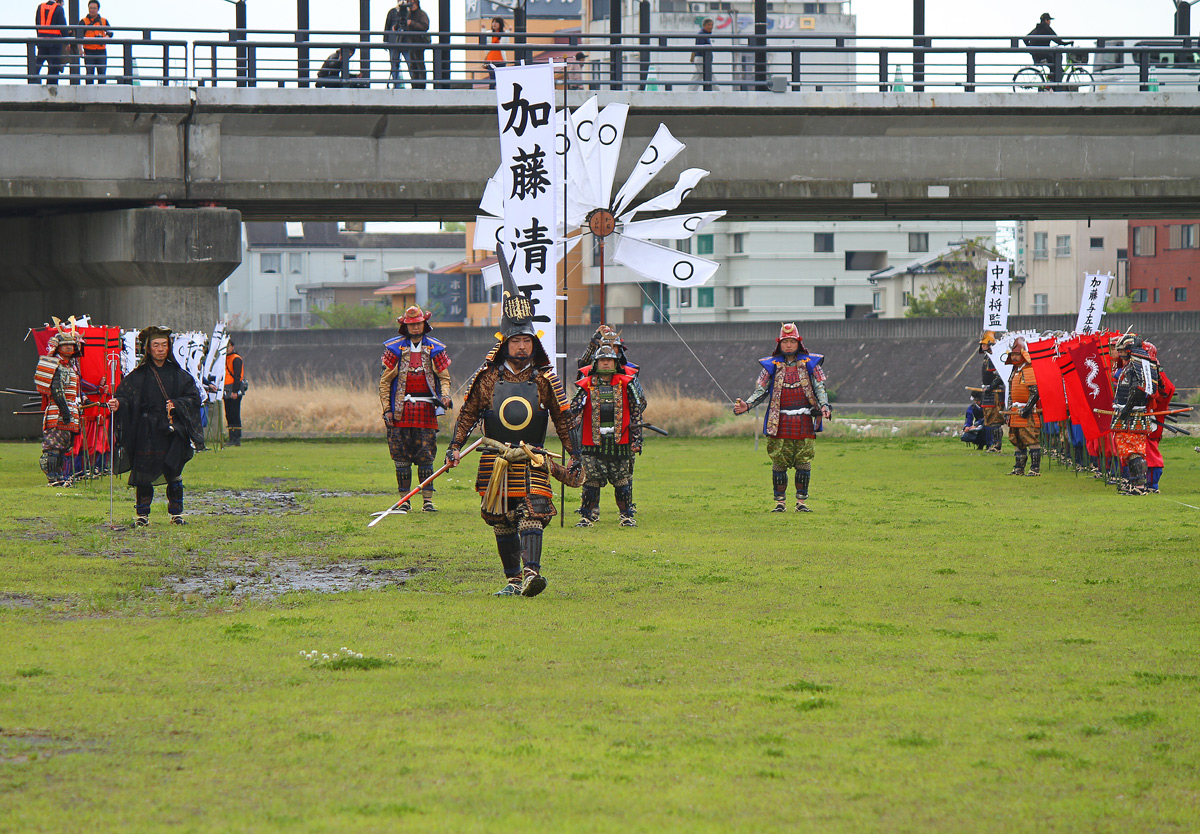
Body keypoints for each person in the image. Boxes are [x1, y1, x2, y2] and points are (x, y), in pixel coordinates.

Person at [445, 265, 580, 597]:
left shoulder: (546, 379)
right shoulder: (486, 378)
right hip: (495, 457)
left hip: (533, 457)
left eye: (527, 341)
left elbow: (563, 419)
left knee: (533, 510)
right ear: (505, 344)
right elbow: (467, 415)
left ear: (534, 344)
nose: (522, 347)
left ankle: (532, 574)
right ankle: (513, 580)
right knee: (502, 517)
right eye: (516, 341)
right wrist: (454, 446)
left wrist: (574, 455)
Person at [107, 326, 204, 526]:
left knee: (174, 471)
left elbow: (194, 398)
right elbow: (126, 397)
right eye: (156, 345)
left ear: (169, 347)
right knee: (143, 472)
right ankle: (142, 515)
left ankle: (176, 514)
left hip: (171, 429)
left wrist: (177, 404)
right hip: (146, 430)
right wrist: (118, 404)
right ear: (148, 349)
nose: (160, 349)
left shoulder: (179, 375)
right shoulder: (138, 375)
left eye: (164, 345)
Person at [733, 323, 831, 512]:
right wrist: (747, 405)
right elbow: (760, 391)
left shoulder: (811, 363)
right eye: (785, 341)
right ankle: (780, 503)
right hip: (779, 421)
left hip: (804, 420)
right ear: (779, 343)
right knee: (779, 463)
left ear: (798, 343)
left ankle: (801, 503)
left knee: (804, 462)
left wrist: (825, 406)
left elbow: (820, 388)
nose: (788, 345)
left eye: (791, 341)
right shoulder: (771, 366)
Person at [379, 305, 452, 513]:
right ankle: (404, 502)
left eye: (418, 323)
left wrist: (444, 396)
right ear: (405, 326)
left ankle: (427, 501)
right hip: (400, 412)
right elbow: (384, 383)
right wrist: (387, 409)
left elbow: (444, 378)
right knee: (401, 459)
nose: (415, 328)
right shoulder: (394, 349)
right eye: (411, 324)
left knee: (426, 457)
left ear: (424, 324)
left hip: (426, 412)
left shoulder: (435, 349)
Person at [571, 341, 647, 528]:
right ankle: (588, 516)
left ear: (616, 363)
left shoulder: (627, 383)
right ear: (596, 363)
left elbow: (637, 411)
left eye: (610, 360)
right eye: (603, 360)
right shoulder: (586, 384)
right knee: (591, 480)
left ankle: (626, 515)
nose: (606, 363)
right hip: (592, 440)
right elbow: (573, 410)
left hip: (620, 439)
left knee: (622, 480)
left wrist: (637, 439)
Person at [1109, 334, 1160, 495]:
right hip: (1130, 414)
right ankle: (1135, 484)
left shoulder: (1134, 367)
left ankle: (1138, 486)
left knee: (1133, 452)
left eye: (1122, 349)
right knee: (1129, 452)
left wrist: (1126, 409)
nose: (1119, 352)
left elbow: (1137, 390)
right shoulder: (1132, 365)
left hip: (1131, 415)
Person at [34, 321, 82, 486]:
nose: (69, 348)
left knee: (63, 447)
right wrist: (66, 412)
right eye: (65, 345)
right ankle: (53, 477)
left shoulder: (70, 366)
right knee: (53, 446)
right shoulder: (56, 365)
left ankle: (60, 476)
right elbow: (56, 390)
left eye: (71, 345)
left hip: (69, 408)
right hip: (58, 410)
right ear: (58, 347)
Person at [1005, 337, 1042, 476]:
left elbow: (1035, 391)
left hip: (1027, 411)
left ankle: (1034, 469)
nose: (1014, 357)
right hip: (1015, 410)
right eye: (1012, 355)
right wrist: (1009, 409)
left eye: (1016, 354)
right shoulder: (1015, 370)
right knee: (1017, 439)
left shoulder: (1029, 369)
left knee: (1031, 439)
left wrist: (1027, 408)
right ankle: (1018, 468)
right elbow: (1010, 392)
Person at [1141, 341, 1174, 493]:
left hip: (1151, 418)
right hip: (1141, 415)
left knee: (1150, 449)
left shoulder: (1155, 370)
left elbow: (1167, 390)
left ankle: (1152, 484)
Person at [979, 331, 1006, 453]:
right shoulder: (987, 356)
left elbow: (999, 376)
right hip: (989, 391)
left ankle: (997, 445)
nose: (982, 346)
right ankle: (994, 444)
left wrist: (991, 386)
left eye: (984, 344)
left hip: (995, 391)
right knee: (989, 418)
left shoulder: (995, 357)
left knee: (995, 418)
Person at [30, 0, 67, 85]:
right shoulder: (59, 8)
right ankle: (51, 84)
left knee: (39, 61)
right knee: (54, 64)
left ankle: (33, 80)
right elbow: (62, 25)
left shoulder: (41, 7)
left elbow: (37, 23)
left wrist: (39, 35)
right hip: (55, 42)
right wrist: (66, 39)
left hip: (42, 40)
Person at [78, 0, 111, 84]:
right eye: (90, 8)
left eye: (94, 8)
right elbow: (79, 37)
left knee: (102, 75)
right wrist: (80, 50)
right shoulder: (83, 21)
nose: (92, 10)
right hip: (89, 51)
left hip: (101, 51)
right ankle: (88, 95)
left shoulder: (103, 21)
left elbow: (110, 32)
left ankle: (102, 94)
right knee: (89, 74)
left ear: (98, 9)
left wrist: (105, 38)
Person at [401, 0, 430, 90]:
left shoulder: (421, 14)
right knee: (412, 65)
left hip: (419, 43)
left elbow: (425, 26)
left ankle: (421, 85)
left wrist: (412, 23)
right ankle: (414, 84)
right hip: (411, 43)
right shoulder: (409, 14)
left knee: (419, 64)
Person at [223, 339, 245, 446]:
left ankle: (236, 438)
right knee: (229, 414)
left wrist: (235, 391)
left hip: (234, 388)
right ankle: (231, 437)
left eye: (228, 346)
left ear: (233, 347)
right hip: (226, 388)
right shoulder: (225, 358)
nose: (227, 349)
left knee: (235, 413)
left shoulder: (236, 359)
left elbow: (237, 376)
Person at [384, 0, 408, 89]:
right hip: (393, 41)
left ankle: (415, 83)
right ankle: (396, 84)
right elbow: (387, 26)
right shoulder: (392, 12)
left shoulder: (409, 13)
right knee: (394, 64)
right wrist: (386, 40)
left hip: (406, 42)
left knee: (411, 63)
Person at [689, 18, 714, 91]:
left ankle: (690, 92)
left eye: (712, 25)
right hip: (702, 58)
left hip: (701, 58)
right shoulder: (702, 34)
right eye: (708, 25)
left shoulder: (704, 34)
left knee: (697, 77)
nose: (710, 27)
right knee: (709, 75)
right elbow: (700, 48)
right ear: (703, 25)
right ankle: (717, 92)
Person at [483, 17, 506, 86]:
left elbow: (506, 42)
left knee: (500, 80)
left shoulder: (503, 34)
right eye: (493, 22)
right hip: (491, 59)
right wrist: (483, 29)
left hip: (501, 60)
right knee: (493, 80)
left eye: (496, 22)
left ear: (500, 24)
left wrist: (508, 32)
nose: (494, 24)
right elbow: (484, 40)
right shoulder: (489, 33)